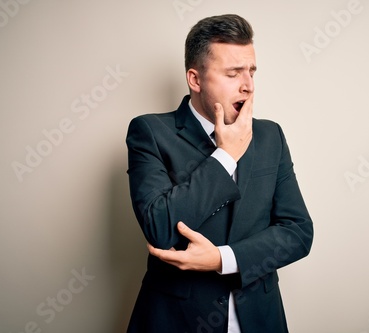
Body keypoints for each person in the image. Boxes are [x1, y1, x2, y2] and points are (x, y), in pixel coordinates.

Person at [125, 14, 313, 333]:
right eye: (233, 73)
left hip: (259, 319)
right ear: (195, 80)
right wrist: (226, 155)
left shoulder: (270, 136)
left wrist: (223, 259)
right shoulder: (150, 131)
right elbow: (159, 228)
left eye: (251, 72)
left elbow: (298, 232)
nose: (248, 86)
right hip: (175, 320)